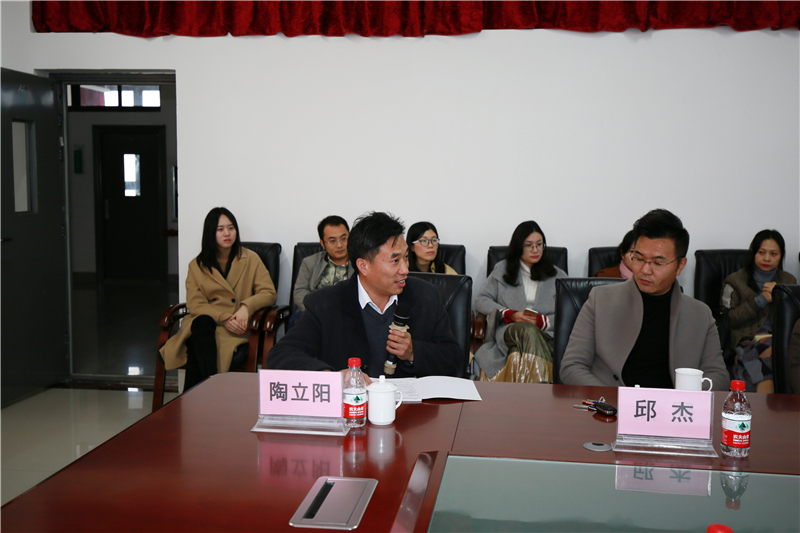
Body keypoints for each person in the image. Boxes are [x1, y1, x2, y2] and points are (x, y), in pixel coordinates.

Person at [267, 212, 462, 379]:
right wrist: (332, 377)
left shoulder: (425, 296)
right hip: (351, 406)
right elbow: (282, 354)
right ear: (363, 266)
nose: (405, 270)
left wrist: (413, 353)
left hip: (409, 408)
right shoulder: (326, 303)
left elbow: (454, 359)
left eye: (406, 257)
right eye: (395, 261)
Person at [560, 209, 728, 390]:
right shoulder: (600, 300)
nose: (645, 270)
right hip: (610, 403)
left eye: (658, 262)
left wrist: (683, 398)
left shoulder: (700, 314)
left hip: (672, 406)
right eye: (639, 259)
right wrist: (614, 399)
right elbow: (572, 366)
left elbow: (718, 376)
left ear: (680, 265)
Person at [160, 207, 277, 390]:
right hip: (209, 322)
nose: (227, 234)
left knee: (197, 343)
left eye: (231, 228)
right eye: (220, 229)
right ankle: (211, 387)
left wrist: (246, 307)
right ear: (210, 233)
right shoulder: (197, 265)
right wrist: (223, 318)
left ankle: (192, 397)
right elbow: (195, 303)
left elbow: (268, 293)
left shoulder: (251, 259)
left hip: (236, 326)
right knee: (202, 324)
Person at [474, 221, 567, 383]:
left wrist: (543, 321)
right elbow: (481, 300)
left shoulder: (558, 276)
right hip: (510, 330)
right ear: (518, 246)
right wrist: (511, 314)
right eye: (529, 245)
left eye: (539, 245)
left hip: (547, 334)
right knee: (527, 329)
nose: (535, 250)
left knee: (517, 353)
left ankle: (526, 394)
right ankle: (543, 390)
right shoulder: (502, 270)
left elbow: (569, 313)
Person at [720, 230, 796, 393]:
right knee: (769, 350)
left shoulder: (789, 281)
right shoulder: (734, 281)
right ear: (754, 253)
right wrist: (761, 300)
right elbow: (730, 319)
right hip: (746, 339)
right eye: (762, 252)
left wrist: (779, 294)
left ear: (780, 256)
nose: (767, 258)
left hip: (780, 339)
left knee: (770, 348)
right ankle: (768, 404)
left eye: (773, 254)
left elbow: (795, 316)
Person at [290, 216, 355, 328]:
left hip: (347, 314)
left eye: (344, 238)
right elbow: (299, 292)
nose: (339, 245)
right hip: (314, 313)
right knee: (296, 320)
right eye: (332, 241)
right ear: (322, 243)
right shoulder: (309, 262)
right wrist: (316, 311)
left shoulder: (360, 263)